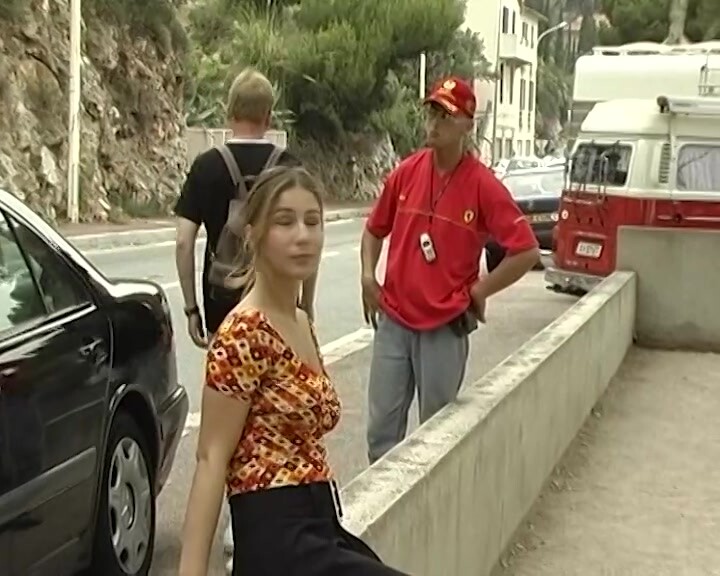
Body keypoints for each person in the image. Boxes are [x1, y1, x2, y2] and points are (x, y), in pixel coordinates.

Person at [178, 166, 408, 576]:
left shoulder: (300, 320)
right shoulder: (244, 332)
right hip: (277, 538)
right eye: (284, 222)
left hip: (321, 526)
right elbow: (211, 458)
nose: (303, 235)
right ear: (254, 235)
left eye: (312, 221)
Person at [360, 76, 540, 464]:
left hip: (444, 327)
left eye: (446, 116)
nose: (434, 123)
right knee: (380, 434)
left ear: (467, 125)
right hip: (394, 321)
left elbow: (525, 250)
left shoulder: (483, 185)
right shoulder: (406, 173)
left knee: (434, 438)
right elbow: (374, 230)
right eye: (432, 113)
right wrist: (367, 276)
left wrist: (481, 289)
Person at [175, 67, 316, 350]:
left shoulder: (206, 166)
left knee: (228, 374)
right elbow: (308, 241)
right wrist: (306, 305)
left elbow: (183, 242)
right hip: (279, 300)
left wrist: (192, 309)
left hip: (221, 304)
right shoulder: (289, 167)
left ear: (229, 113)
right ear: (269, 116)